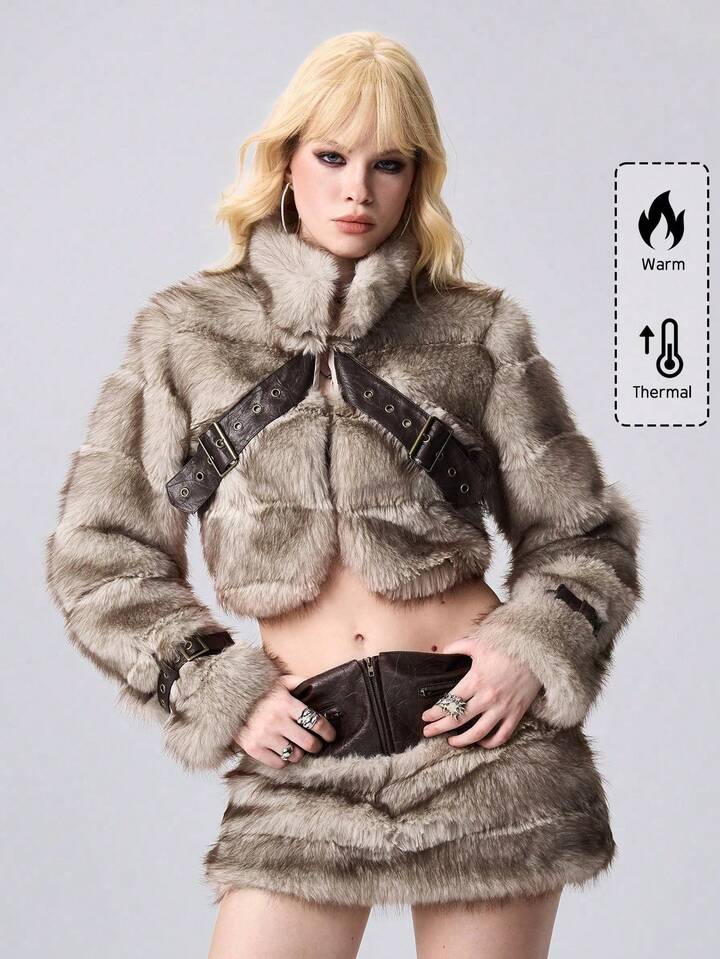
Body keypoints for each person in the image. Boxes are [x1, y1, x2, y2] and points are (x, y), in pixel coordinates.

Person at [44, 30, 643, 959]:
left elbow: (583, 535)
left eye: (387, 163)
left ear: (416, 179)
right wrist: (215, 687)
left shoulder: (479, 329)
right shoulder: (184, 333)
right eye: (332, 157)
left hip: (483, 753)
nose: (357, 189)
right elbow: (99, 554)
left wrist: (531, 649)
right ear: (287, 162)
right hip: (305, 758)